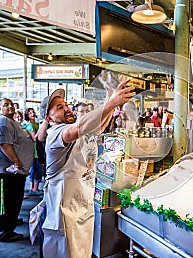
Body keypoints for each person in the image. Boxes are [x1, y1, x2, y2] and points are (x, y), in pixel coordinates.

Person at [41, 80, 134, 258]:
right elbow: (80, 127)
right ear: (49, 118)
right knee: (66, 252)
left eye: (66, 104)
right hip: (64, 211)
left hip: (83, 204)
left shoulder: (75, 129)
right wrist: (111, 103)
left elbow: (97, 127)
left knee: (83, 252)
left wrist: (109, 101)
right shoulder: (55, 134)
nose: (67, 108)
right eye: (59, 107)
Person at [0, 98, 34, 242]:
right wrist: (17, 161)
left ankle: (9, 223)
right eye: (5, 105)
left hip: (13, 171)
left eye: (11, 104)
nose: (10, 107)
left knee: (12, 200)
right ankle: (3, 233)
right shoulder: (2, 122)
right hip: (4, 170)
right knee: (4, 201)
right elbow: (4, 145)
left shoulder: (10, 121)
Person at [24, 108, 42, 195]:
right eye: (30, 113)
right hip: (34, 150)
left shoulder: (36, 124)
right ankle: (34, 188)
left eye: (33, 112)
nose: (32, 114)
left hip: (38, 149)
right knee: (36, 169)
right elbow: (34, 138)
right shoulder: (30, 125)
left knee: (36, 169)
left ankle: (35, 188)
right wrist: (41, 130)